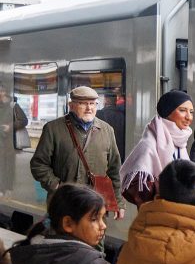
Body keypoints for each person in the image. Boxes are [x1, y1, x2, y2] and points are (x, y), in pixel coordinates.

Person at [30, 86, 125, 219]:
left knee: (95, 238)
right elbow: (38, 164)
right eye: (83, 103)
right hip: (64, 203)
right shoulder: (53, 129)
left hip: (95, 204)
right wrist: (56, 185)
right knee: (63, 237)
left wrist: (118, 202)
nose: (89, 108)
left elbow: (114, 170)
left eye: (93, 103)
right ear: (71, 105)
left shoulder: (107, 130)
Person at [119, 90, 193, 207]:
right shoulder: (149, 144)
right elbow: (140, 190)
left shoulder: (180, 142)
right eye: (183, 110)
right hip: (157, 212)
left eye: (191, 112)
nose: (189, 117)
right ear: (168, 111)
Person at [95, 93, 126, 161]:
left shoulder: (98, 114)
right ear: (115, 100)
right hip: (121, 149)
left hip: (102, 149)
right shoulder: (123, 115)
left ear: (106, 100)